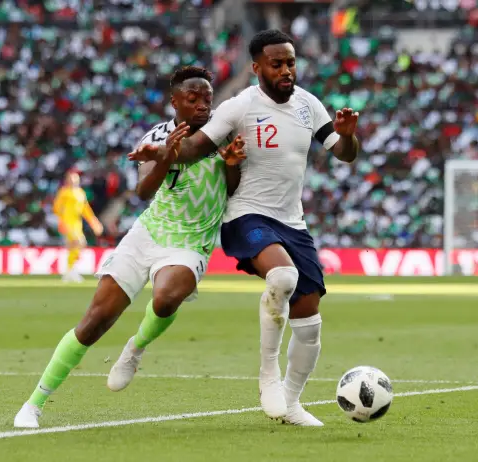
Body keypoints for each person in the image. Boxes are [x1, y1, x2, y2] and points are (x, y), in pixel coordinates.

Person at [130, 30, 359, 427]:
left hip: (292, 221)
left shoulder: (308, 104)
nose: (287, 70)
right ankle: (267, 375)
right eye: (277, 64)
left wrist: (350, 136)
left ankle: (290, 403)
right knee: (283, 276)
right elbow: (196, 147)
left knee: (309, 322)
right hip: (246, 215)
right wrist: (161, 153)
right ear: (257, 68)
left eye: (290, 62)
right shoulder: (239, 107)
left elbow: (343, 153)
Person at [14, 66, 245, 428]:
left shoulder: (224, 133)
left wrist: (232, 164)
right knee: (94, 322)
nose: (203, 105)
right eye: (193, 99)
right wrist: (165, 156)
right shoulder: (157, 135)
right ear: (175, 102)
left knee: (166, 298)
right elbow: (143, 192)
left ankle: (135, 347)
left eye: (207, 99)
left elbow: (231, 190)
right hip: (148, 235)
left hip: (191, 242)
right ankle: (34, 403)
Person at [53, 170, 104, 282]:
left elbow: (85, 210)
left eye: (75, 178)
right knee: (80, 242)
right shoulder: (64, 192)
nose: (73, 180)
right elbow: (56, 208)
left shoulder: (81, 192)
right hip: (68, 222)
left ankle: (70, 271)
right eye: (71, 178)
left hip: (77, 223)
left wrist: (94, 222)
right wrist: (61, 222)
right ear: (67, 180)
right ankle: (70, 270)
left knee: (74, 246)